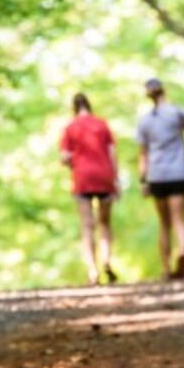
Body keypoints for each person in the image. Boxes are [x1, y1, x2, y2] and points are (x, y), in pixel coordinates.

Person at [136, 78, 184, 281]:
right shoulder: (175, 112)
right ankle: (182, 251)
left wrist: (143, 180)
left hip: (156, 175)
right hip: (178, 172)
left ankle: (166, 267)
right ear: (163, 91)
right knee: (179, 219)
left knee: (164, 223)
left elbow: (143, 154)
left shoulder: (144, 120)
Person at [60, 92, 119, 285]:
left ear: (74, 108)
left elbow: (64, 157)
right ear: (89, 105)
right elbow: (112, 153)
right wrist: (115, 180)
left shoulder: (70, 128)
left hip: (82, 179)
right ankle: (107, 261)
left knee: (87, 226)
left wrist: (73, 161)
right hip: (104, 177)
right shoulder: (102, 124)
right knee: (105, 224)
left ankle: (93, 270)